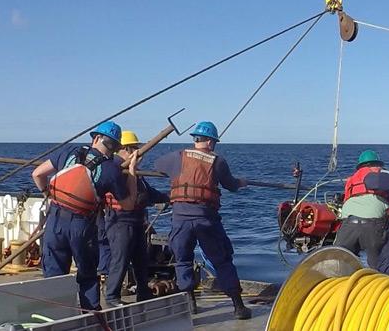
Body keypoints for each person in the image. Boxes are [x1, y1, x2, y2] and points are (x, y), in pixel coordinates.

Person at [31, 121, 138, 310]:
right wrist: (132, 173)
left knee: (54, 277)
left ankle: (56, 317)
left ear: (96, 138)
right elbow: (128, 204)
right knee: (87, 275)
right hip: (82, 226)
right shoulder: (111, 169)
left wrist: (48, 195)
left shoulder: (69, 152)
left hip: (55, 221)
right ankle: (92, 319)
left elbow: (37, 174)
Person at [153, 121, 252, 320]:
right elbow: (230, 185)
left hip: (180, 221)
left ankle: (191, 305)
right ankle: (238, 307)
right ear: (209, 141)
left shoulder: (178, 157)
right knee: (222, 261)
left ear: (195, 139)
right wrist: (240, 183)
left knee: (182, 260)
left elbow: (157, 166)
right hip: (206, 220)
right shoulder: (218, 161)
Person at [103, 130, 170, 306]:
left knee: (141, 260)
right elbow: (139, 196)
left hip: (136, 221)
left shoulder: (132, 171)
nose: (138, 153)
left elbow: (147, 192)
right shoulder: (116, 169)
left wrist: (169, 196)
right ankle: (111, 296)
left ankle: (143, 291)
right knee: (120, 259)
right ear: (124, 149)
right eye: (135, 149)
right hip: (120, 221)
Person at [333, 150, 389, 268]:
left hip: (349, 224)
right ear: (377, 164)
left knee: (339, 262)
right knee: (378, 266)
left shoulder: (352, 179)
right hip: (374, 225)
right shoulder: (384, 174)